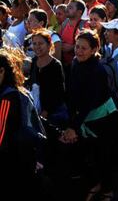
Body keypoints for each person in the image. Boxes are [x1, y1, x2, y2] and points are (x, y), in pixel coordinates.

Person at [60, 30, 118, 201]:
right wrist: (71, 123)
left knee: (104, 156)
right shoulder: (75, 63)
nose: (78, 51)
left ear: (94, 49)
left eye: (84, 48)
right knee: (88, 155)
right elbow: (71, 94)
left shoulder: (97, 70)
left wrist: (73, 126)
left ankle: (108, 190)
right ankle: (95, 184)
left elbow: (89, 102)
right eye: (77, 47)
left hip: (104, 118)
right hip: (84, 117)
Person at [0, 47, 46, 198]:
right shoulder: (17, 91)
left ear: (2, 72)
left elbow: (1, 137)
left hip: (15, 161)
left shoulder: (8, 97)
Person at [28, 29, 68, 126]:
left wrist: (46, 111)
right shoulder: (34, 61)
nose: (37, 47)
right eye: (34, 43)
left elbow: (59, 92)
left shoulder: (55, 65)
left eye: (41, 43)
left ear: (49, 45)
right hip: (36, 109)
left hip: (52, 113)